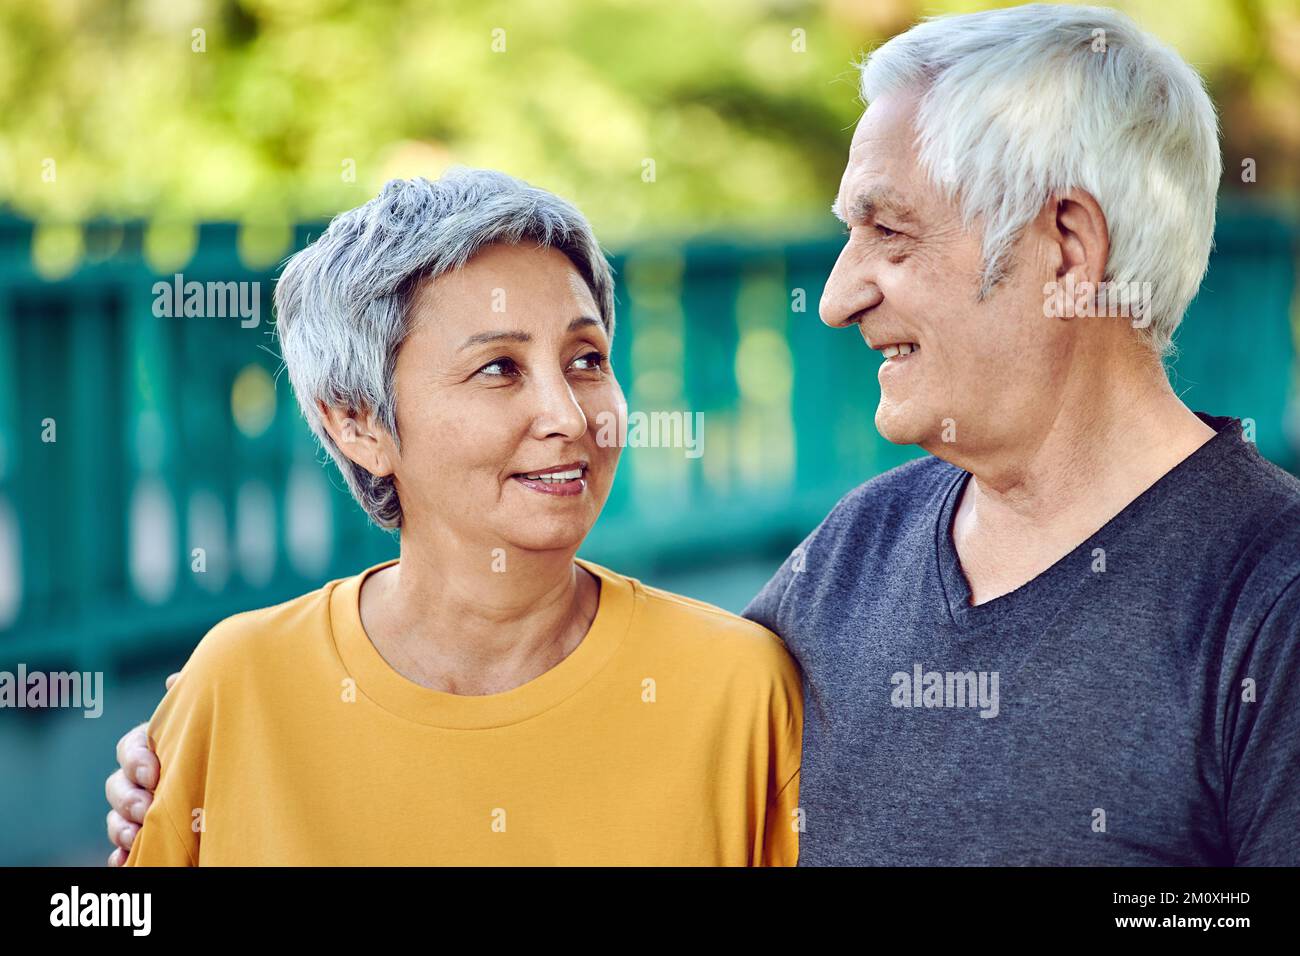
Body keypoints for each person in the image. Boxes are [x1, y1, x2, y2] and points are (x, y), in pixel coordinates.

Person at [107, 169, 802, 866]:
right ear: (357, 423)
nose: (568, 416)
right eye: (499, 368)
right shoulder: (238, 687)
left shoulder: (740, 691)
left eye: (586, 359)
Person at [743, 3, 1300, 864]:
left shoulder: (1273, 603)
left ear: (1069, 249)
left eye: (889, 231)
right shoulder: (848, 556)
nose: (836, 298)